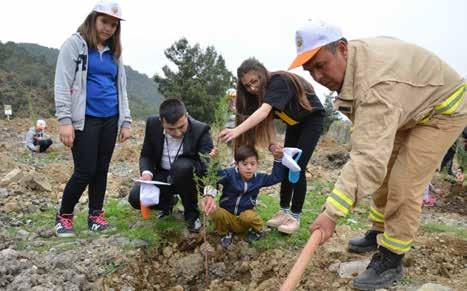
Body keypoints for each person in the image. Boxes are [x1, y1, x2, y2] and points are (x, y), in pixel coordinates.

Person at [288, 20, 467, 289]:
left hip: (443, 110)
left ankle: (391, 258)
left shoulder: (376, 85)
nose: (317, 76)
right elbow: (373, 156)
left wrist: (332, 212)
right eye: (310, 69)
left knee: (404, 183)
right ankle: (379, 230)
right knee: (384, 171)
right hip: (408, 108)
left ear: (342, 48)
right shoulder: (356, 67)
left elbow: (367, 158)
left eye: (321, 65)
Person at [219, 58, 324, 234]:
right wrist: (273, 144)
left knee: (297, 167)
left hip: (311, 120)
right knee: (285, 163)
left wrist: (235, 131)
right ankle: (283, 211)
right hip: (294, 124)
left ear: (263, 74)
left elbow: (263, 112)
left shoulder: (279, 81)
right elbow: (267, 121)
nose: (252, 88)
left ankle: (295, 216)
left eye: (254, 81)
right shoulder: (260, 95)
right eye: (247, 85)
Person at [54, 0, 132, 237]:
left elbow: (122, 88)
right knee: (85, 170)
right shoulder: (75, 46)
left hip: (110, 117)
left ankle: (95, 214)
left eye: (114, 25)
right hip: (85, 119)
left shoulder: (115, 53)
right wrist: (64, 120)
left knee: (101, 169)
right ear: (93, 19)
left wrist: (125, 120)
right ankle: (64, 216)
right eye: (104, 22)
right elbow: (62, 83)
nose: (108, 28)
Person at [128, 98, 213, 233]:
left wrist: (209, 193)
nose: (177, 133)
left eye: (181, 127)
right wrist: (146, 174)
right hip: (163, 176)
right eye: (171, 129)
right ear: (162, 122)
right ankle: (168, 203)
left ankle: (192, 214)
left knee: (182, 167)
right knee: (135, 197)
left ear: (186, 116)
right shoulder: (152, 124)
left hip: (189, 178)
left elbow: (210, 164)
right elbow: (146, 155)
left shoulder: (200, 129)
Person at [202, 145, 284, 248]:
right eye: (244, 164)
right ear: (237, 164)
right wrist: (215, 161)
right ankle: (226, 233)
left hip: (244, 219)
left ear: (257, 164)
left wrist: (278, 160)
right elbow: (217, 175)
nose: (249, 167)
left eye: (252, 164)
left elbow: (276, 178)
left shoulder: (259, 178)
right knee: (216, 212)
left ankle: (258, 230)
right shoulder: (229, 175)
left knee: (249, 216)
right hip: (228, 217)